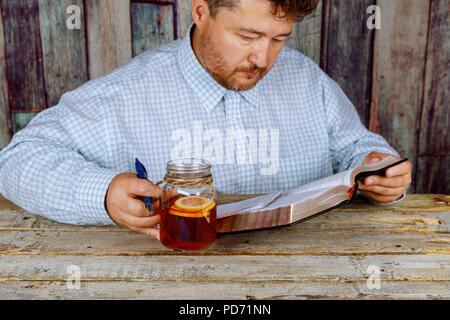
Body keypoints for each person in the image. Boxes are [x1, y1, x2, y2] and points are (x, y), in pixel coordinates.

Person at [0, 0, 412, 240]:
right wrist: (103, 192)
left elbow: (355, 150)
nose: (263, 59)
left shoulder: (307, 79)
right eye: (247, 37)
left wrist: (381, 171)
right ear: (201, 10)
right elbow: (17, 161)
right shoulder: (123, 95)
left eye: (279, 39)